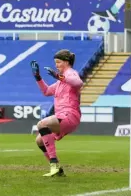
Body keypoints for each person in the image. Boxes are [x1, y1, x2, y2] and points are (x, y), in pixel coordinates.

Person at [30, 49, 83, 177]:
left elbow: (79, 83)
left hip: (70, 115)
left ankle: (53, 163)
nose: (56, 65)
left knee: (42, 124)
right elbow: (47, 91)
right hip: (62, 116)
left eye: (58, 62)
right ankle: (58, 170)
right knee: (39, 141)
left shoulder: (71, 73)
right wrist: (38, 77)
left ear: (66, 62)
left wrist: (59, 76)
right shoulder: (61, 81)